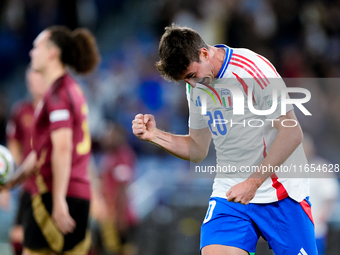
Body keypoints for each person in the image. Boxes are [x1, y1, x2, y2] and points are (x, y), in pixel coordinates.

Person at [132, 24, 317, 255]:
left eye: (191, 76)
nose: (191, 85)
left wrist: (253, 183)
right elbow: (197, 149)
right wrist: (155, 135)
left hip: (281, 192)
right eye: (185, 81)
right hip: (230, 193)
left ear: (204, 53)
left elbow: (292, 133)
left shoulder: (252, 69)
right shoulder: (197, 86)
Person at [2, 25, 100, 255]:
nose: (31, 52)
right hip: (74, 193)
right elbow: (39, 153)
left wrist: (57, 200)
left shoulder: (58, 95)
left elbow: (63, 148)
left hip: (56, 195)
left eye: (36, 47)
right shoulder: (70, 90)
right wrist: (11, 183)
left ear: (52, 53)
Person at [6, 67, 48, 255]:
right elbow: (13, 148)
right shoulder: (21, 111)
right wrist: (6, 181)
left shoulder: (57, 110)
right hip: (29, 186)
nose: (33, 84)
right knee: (17, 237)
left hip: (53, 185)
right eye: (30, 80)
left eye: (37, 79)